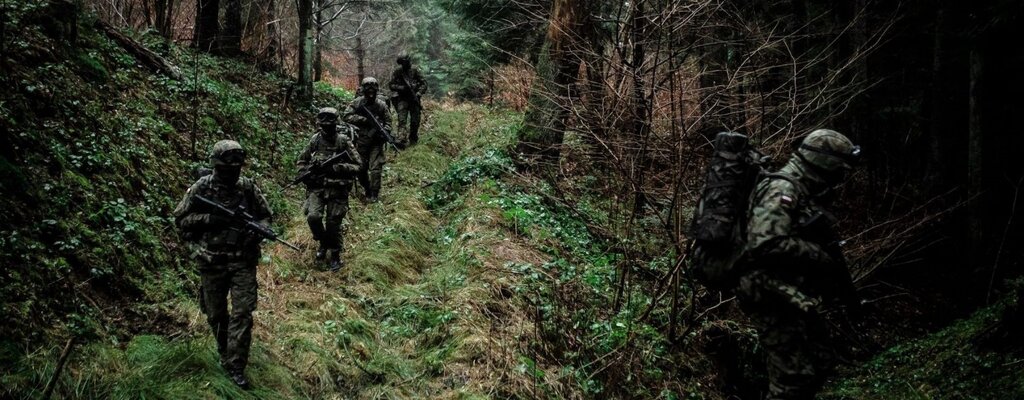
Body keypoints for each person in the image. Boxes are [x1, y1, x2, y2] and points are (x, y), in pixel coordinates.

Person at [737, 129, 862, 400]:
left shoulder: (801, 190)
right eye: (840, 168)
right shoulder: (783, 188)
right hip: (769, 292)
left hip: (788, 293)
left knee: (820, 362)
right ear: (824, 163)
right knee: (792, 381)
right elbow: (765, 243)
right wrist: (817, 256)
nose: (841, 177)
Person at [173, 140, 273, 389]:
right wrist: (211, 219)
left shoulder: (247, 187)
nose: (233, 173)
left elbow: (265, 215)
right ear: (217, 166)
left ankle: (236, 365)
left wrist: (259, 231)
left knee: (242, 313)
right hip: (211, 261)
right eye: (228, 168)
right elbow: (181, 219)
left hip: (242, 261)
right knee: (216, 315)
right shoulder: (201, 188)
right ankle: (224, 350)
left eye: (237, 168)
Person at [297, 107, 362, 271]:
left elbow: (358, 165)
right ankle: (323, 242)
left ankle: (335, 254)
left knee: (333, 224)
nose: (326, 128)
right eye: (323, 125)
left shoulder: (343, 141)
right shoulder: (315, 141)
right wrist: (306, 174)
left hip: (337, 188)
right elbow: (301, 161)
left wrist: (338, 168)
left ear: (336, 124)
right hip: (317, 188)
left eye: (330, 125)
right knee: (313, 217)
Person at [343, 77, 392, 203]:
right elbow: (346, 116)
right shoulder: (357, 103)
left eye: (373, 88)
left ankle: (374, 194)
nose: (371, 91)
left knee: (375, 168)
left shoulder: (381, 105)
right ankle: (367, 189)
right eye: (368, 88)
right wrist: (364, 120)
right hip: (361, 140)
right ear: (363, 90)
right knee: (361, 168)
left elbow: (388, 122)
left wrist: (383, 131)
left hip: (376, 142)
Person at [388, 52, 427, 145]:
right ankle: (401, 139)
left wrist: (418, 93)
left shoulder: (415, 70)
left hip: (414, 99)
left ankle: (413, 139)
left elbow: (424, 84)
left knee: (415, 121)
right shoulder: (398, 71)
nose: (403, 65)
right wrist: (401, 88)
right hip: (402, 99)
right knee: (402, 120)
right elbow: (391, 85)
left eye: (404, 62)